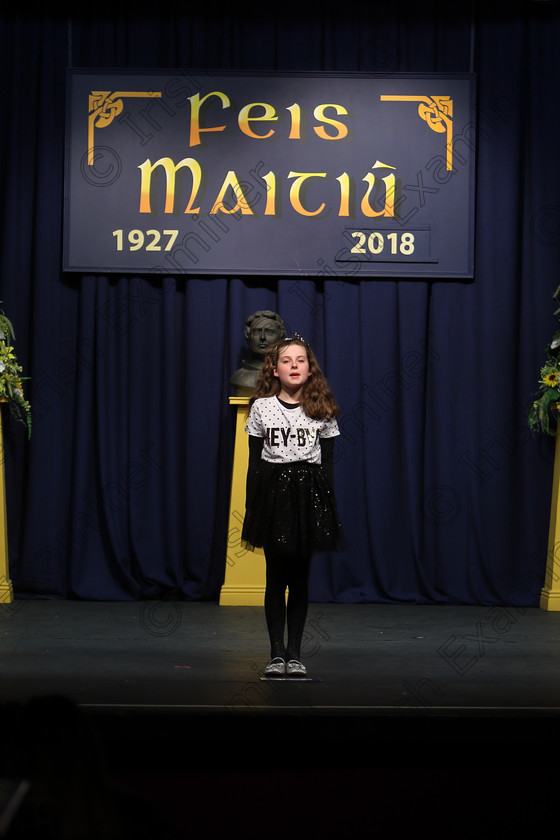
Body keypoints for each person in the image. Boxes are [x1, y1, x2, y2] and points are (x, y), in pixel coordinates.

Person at [241, 335, 346, 677]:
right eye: (286, 361)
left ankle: (295, 654)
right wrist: (253, 507)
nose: (294, 366)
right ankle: (275, 654)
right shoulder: (261, 407)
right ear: (274, 369)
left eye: (300, 360)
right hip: (273, 495)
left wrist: (326, 508)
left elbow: (326, 465)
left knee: (300, 579)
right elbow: (253, 464)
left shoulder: (322, 408)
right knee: (276, 578)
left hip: (308, 497)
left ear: (310, 368)